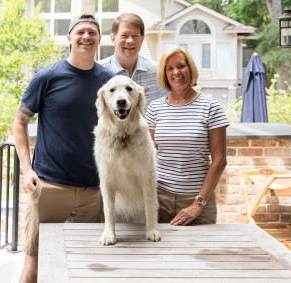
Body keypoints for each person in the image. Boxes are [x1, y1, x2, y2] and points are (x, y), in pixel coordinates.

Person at [13, 14, 115, 283]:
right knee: (34, 265)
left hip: (93, 192)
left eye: (92, 32)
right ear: (69, 38)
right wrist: (26, 170)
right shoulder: (47, 76)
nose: (86, 36)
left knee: (83, 265)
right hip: (49, 187)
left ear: (99, 40)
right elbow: (20, 123)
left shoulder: (110, 81)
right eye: (80, 31)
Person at [145, 46, 229, 225]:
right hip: (159, 199)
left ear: (190, 68)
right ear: (164, 74)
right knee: (158, 252)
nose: (176, 72)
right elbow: (149, 156)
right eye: (170, 68)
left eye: (181, 66)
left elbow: (220, 160)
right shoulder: (154, 108)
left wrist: (197, 204)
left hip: (198, 200)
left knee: (200, 252)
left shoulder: (210, 107)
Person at [98, 13, 167, 111]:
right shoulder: (98, 72)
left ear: (142, 40)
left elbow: (165, 112)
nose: (130, 41)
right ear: (113, 39)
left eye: (135, 36)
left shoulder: (158, 72)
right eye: (124, 35)